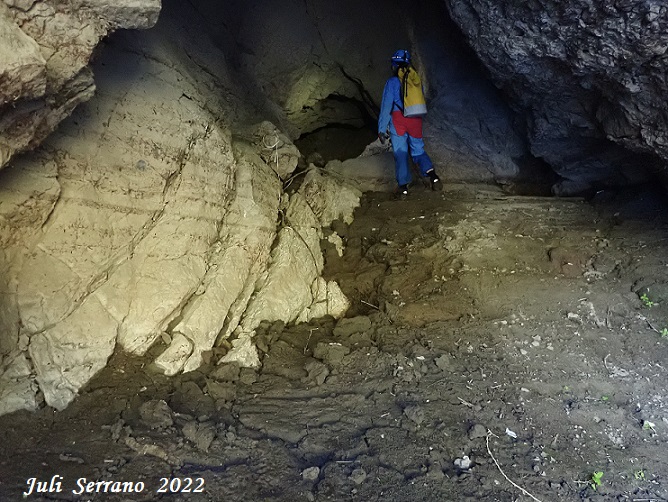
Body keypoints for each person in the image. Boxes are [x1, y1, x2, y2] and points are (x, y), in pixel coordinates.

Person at [378, 49, 441, 196]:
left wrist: (381, 129)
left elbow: (386, 107)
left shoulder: (392, 82)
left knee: (401, 153)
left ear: (394, 65)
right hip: (416, 120)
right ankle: (433, 176)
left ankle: (404, 188)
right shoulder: (415, 80)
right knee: (418, 150)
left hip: (399, 120)